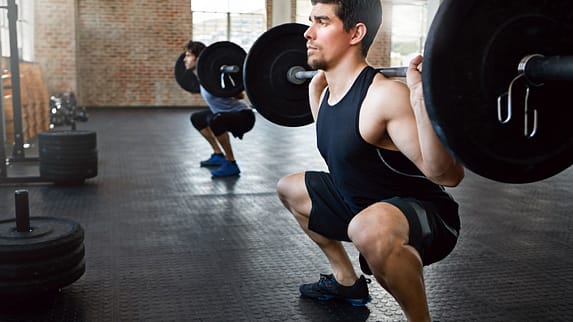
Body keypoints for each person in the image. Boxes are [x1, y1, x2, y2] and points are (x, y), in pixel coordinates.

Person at [275, 1, 464, 321]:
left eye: (322, 22)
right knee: (290, 188)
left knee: (368, 228)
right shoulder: (321, 89)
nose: (308, 33)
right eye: (310, 21)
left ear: (355, 33)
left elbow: (448, 176)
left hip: (428, 218)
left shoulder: (385, 97)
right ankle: (346, 282)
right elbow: (341, 159)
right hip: (362, 205)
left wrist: (420, 100)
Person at [183, 40, 255, 177]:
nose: (184, 59)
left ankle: (231, 163)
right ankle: (218, 154)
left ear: (198, 59)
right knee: (197, 118)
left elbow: (239, 94)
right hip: (224, 114)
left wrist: (226, 84)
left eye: (188, 55)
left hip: (243, 116)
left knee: (215, 120)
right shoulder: (202, 78)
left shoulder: (213, 76)